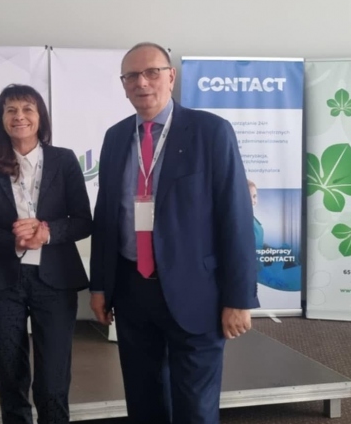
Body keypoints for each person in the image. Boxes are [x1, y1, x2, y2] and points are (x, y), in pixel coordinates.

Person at [88, 42, 258, 424]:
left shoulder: (210, 132)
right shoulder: (116, 138)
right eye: (132, 76)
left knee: (195, 408)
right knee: (143, 401)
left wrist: (239, 298)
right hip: (132, 290)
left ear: (171, 76)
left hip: (197, 292)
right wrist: (100, 286)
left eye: (152, 72)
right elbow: (107, 218)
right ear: (123, 84)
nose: (142, 82)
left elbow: (235, 217)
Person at [0, 84, 92, 424]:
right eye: (10, 110)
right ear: (1, 118)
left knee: (53, 382)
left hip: (55, 281)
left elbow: (83, 221)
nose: (19, 116)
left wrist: (47, 233)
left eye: (27, 109)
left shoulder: (64, 160)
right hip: (3, 283)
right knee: (10, 378)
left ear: (40, 117)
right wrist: (15, 240)